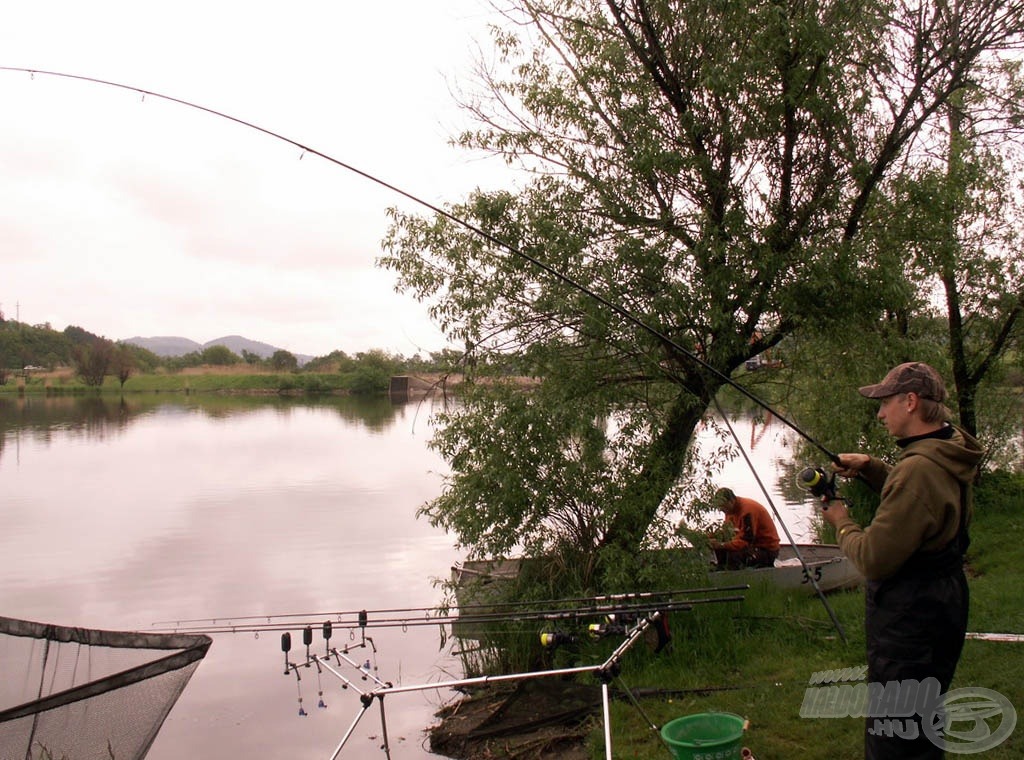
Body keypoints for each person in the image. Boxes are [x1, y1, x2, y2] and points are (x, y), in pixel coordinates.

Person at [820, 361, 984, 759]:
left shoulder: (919, 470)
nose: (880, 413)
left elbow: (873, 558)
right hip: (943, 601)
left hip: (912, 617)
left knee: (895, 735)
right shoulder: (951, 449)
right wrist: (875, 469)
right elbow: (924, 499)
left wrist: (842, 522)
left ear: (910, 402)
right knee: (923, 722)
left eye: (886, 403)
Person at [707, 487, 781, 569]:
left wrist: (722, 545)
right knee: (721, 545)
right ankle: (722, 567)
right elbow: (728, 533)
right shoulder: (730, 510)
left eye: (723, 506)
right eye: (719, 507)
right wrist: (708, 538)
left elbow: (746, 540)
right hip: (750, 545)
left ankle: (733, 575)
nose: (721, 510)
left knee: (734, 555)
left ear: (731, 501)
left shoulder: (747, 511)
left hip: (765, 550)